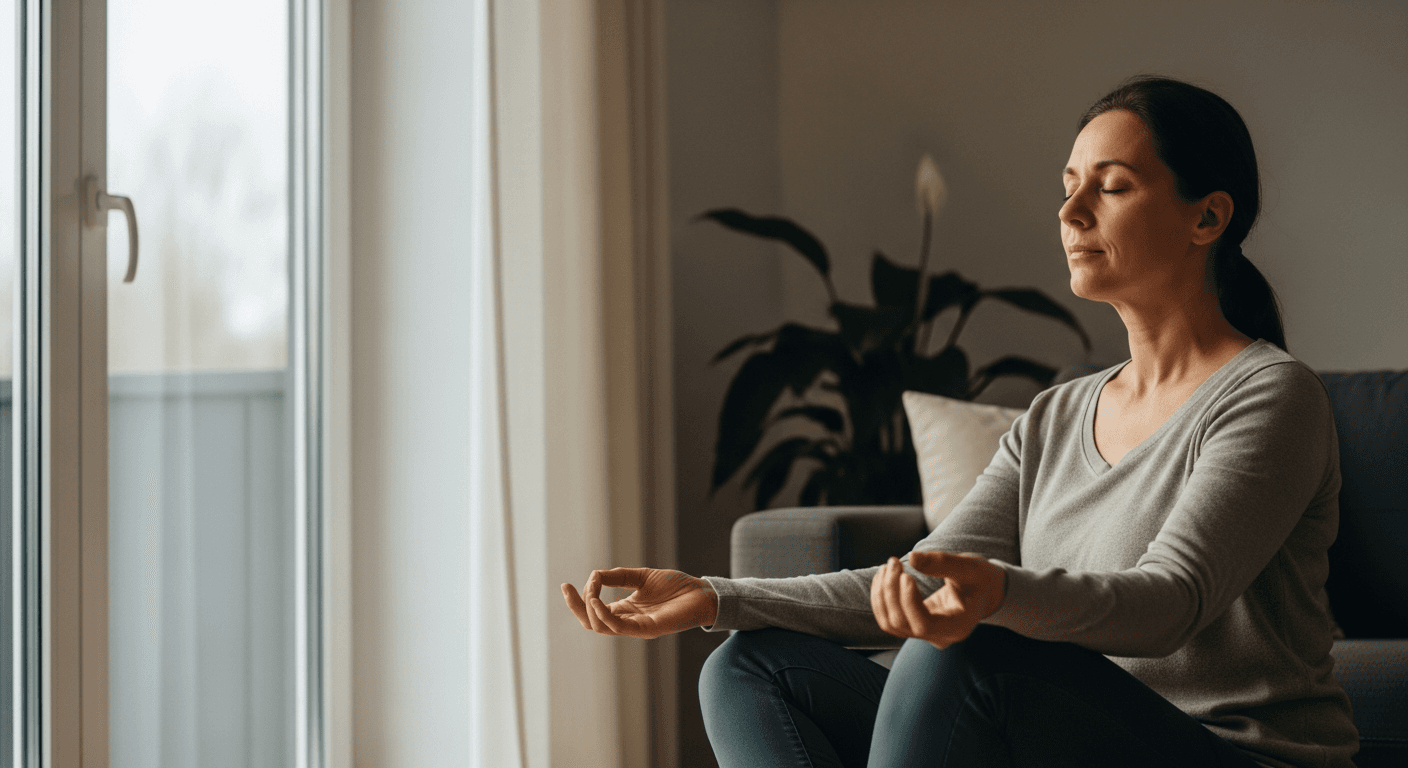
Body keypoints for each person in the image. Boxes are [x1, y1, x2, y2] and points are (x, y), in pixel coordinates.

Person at [561, 76, 1359, 768]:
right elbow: (913, 579)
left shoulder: (1270, 396)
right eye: (1068, 185)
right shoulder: (1057, 415)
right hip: (1061, 742)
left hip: (1228, 754)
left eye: (1111, 187)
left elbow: (1168, 604)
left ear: (1207, 218)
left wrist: (996, 594)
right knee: (747, 666)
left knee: (963, 654)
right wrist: (713, 596)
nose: (1071, 211)